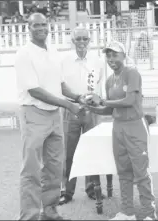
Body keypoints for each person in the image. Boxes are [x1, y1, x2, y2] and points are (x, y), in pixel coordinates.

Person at [14, 13, 85, 221]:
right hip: (33, 114)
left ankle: (50, 210)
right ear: (28, 28)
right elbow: (34, 90)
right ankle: (29, 215)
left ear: (49, 26)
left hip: (54, 116)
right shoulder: (24, 54)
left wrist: (79, 97)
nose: (41, 28)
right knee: (32, 169)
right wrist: (67, 105)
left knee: (54, 166)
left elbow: (60, 85)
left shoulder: (53, 52)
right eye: (36, 25)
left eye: (44, 24)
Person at [86, 41, 156, 221]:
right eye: (108, 56)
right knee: (123, 171)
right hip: (118, 128)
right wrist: (91, 107)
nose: (111, 59)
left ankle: (149, 213)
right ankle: (127, 212)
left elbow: (130, 100)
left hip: (135, 126)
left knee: (141, 172)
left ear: (123, 56)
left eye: (114, 55)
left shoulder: (132, 73)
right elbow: (110, 110)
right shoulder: (110, 80)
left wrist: (102, 101)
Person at [58, 26, 107, 205]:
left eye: (84, 39)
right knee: (69, 152)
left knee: (92, 149)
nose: (81, 42)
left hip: (92, 110)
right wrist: (74, 102)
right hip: (71, 108)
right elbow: (61, 85)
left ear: (89, 41)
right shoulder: (63, 60)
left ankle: (93, 188)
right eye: (78, 39)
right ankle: (67, 191)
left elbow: (99, 83)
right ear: (72, 41)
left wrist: (95, 102)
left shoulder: (97, 61)